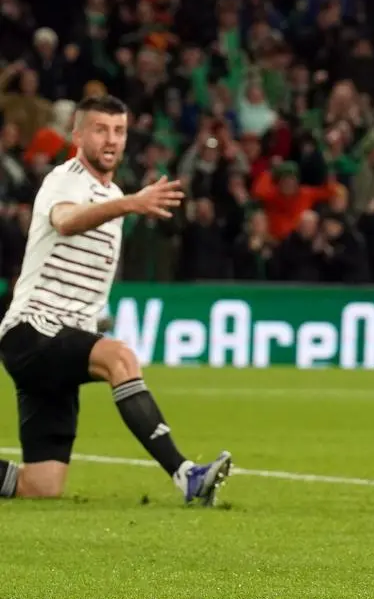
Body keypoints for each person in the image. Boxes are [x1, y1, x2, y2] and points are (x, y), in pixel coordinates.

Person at [0, 96, 232, 504]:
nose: (111, 140)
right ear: (77, 135)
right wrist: (129, 203)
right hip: (32, 331)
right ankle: (186, 475)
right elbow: (66, 221)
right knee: (120, 358)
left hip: (59, 340)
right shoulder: (66, 178)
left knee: (41, 486)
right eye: (100, 129)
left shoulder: (113, 196)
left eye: (119, 131)